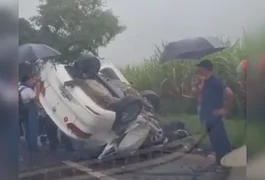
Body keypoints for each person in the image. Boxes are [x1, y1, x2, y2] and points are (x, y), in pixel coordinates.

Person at [196, 59, 233, 171]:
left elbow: (229, 93)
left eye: (200, 68)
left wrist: (224, 109)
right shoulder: (205, 81)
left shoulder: (215, 81)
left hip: (214, 116)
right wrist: (199, 88)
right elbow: (202, 98)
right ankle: (218, 162)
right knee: (214, 140)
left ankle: (226, 165)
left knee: (220, 140)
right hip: (208, 116)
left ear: (205, 69)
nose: (198, 70)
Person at [19, 74, 42, 153]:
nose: (33, 82)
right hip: (30, 112)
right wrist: (38, 88)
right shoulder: (27, 90)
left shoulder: (19, 88)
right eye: (31, 80)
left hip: (23, 112)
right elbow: (36, 98)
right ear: (27, 81)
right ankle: (34, 148)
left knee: (27, 130)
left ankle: (29, 147)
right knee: (33, 130)